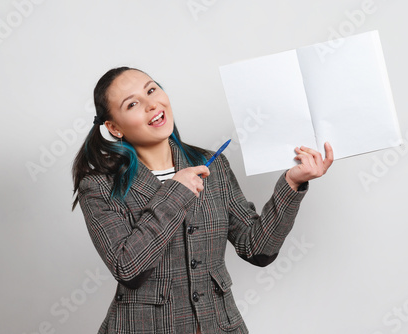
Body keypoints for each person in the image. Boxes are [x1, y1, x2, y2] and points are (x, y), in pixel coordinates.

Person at [72, 66, 333, 334]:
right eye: (133, 104)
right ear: (114, 128)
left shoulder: (213, 165)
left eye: (151, 90)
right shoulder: (98, 186)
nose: (152, 105)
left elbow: (257, 249)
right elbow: (129, 269)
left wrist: (293, 183)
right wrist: (176, 193)